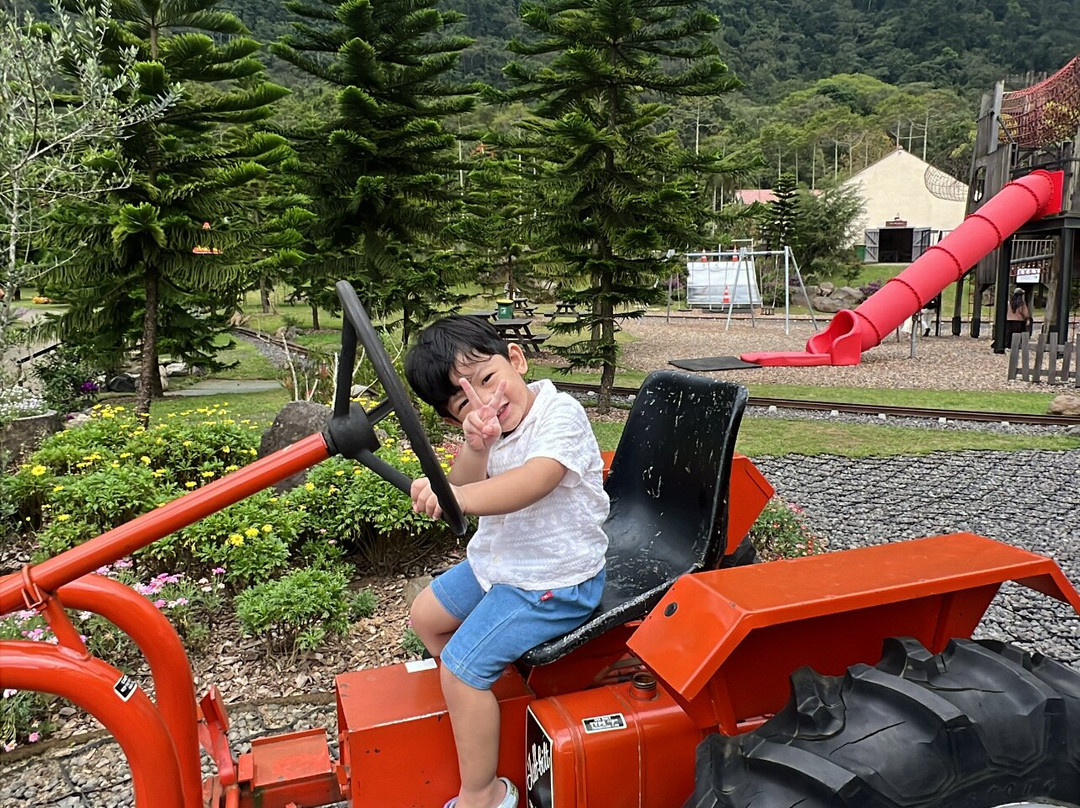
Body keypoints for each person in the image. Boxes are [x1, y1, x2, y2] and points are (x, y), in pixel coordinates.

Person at [404, 315, 609, 808]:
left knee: (459, 669)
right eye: (462, 402)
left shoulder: (560, 414)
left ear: (515, 360)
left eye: (487, 379)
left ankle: (484, 792)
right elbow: (465, 481)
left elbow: (534, 481)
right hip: (500, 566)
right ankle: (482, 703)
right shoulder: (486, 430)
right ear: (454, 418)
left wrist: (458, 499)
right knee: (424, 618)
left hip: (554, 579)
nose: (483, 400)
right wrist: (476, 449)